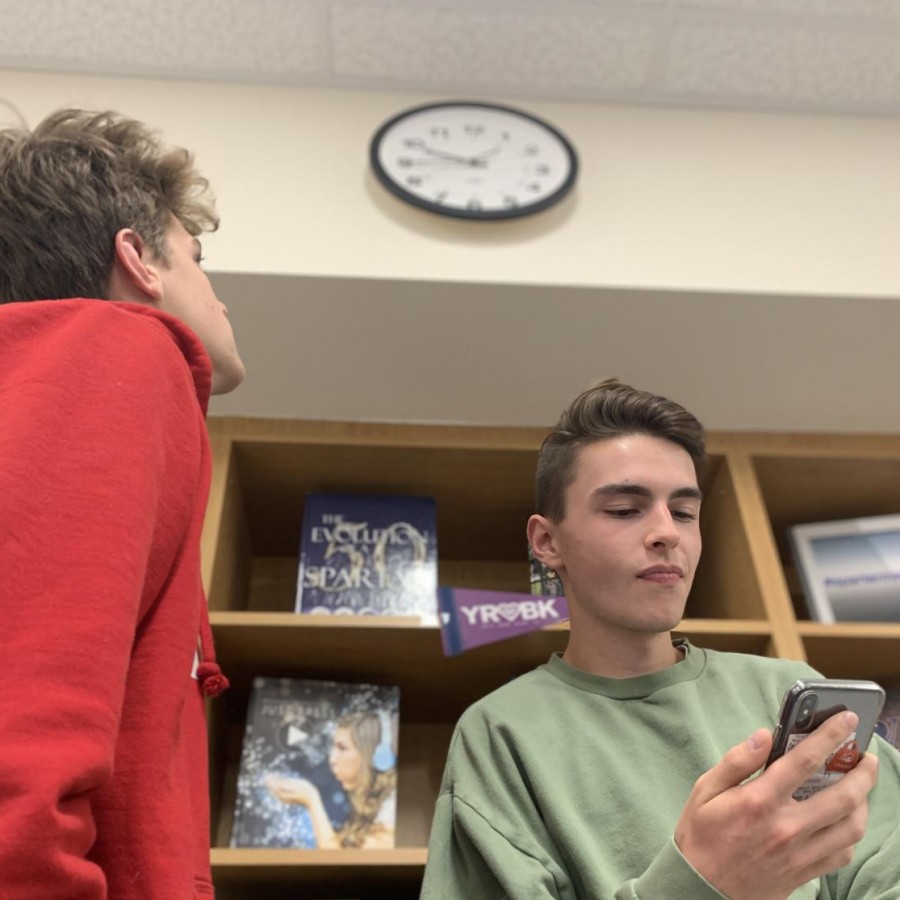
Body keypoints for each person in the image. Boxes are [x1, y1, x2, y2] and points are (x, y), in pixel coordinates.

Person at [421, 379, 900, 900]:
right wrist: (702, 883)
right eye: (625, 510)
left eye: (685, 512)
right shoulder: (499, 735)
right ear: (547, 542)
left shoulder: (788, 689)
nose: (666, 532)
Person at [0, 109, 246, 899]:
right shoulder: (114, 351)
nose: (218, 294)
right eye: (198, 259)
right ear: (138, 259)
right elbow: (20, 754)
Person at [266, 711, 397, 849]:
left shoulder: (391, 807)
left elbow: (340, 861)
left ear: (377, 757)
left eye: (342, 748)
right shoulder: (370, 806)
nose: (332, 759)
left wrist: (311, 800)